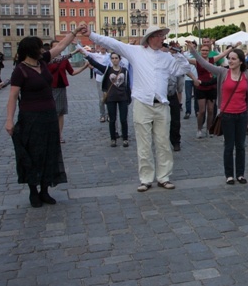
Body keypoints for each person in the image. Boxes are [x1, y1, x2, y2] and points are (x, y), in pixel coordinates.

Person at [80, 23, 192, 192]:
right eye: (161, 35)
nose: (163, 39)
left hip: (161, 104)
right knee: (144, 143)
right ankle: (146, 179)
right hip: (142, 103)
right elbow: (113, 44)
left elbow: (182, 69)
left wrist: (178, 55)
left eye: (163, 35)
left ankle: (164, 177)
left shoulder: (167, 57)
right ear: (152, 38)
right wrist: (92, 35)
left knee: (163, 143)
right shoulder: (136, 52)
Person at [187, 41, 248, 184]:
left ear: (241, 61)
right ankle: (229, 175)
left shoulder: (247, 74)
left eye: (233, 59)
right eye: (229, 58)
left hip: (242, 115)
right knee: (229, 146)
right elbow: (204, 64)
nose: (230, 61)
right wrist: (193, 51)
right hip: (227, 115)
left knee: (241, 145)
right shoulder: (223, 72)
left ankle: (240, 173)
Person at [5, 31, 80, 207]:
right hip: (30, 117)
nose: (42, 50)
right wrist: (9, 120)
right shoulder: (20, 70)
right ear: (30, 51)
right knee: (33, 154)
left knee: (49, 152)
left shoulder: (43, 61)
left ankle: (45, 190)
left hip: (49, 115)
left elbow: (61, 46)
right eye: (39, 47)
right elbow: (13, 96)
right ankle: (33, 192)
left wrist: (75, 32)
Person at [86, 52, 132, 147]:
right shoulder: (108, 70)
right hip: (111, 98)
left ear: (120, 59)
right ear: (111, 60)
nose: (114, 60)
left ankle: (125, 138)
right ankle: (113, 138)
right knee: (112, 119)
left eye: (116, 58)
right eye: (113, 58)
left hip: (122, 97)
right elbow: (96, 65)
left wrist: (129, 96)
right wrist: (87, 56)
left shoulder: (125, 71)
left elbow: (128, 84)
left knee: (123, 119)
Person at [48, 41, 88, 144]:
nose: (58, 48)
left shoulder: (64, 61)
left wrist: (84, 67)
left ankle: (59, 135)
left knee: (60, 112)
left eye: (59, 46)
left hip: (61, 88)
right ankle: (52, 134)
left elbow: (72, 72)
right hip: (49, 88)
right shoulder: (47, 59)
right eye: (55, 46)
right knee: (52, 113)